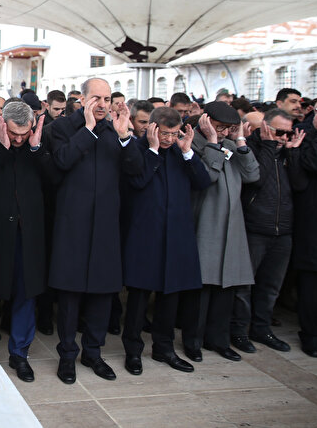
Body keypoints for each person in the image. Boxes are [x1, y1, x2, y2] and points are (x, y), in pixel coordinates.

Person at [49, 78, 142, 384]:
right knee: (70, 295)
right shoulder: (63, 127)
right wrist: (87, 130)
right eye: (96, 98)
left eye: (107, 98)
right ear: (82, 99)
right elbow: (62, 161)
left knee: (103, 294)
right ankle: (67, 355)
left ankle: (93, 352)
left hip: (105, 226)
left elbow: (134, 169)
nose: (103, 104)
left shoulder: (116, 129)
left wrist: (126, 135)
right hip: (72, 225)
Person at [120, 107, 211, 376]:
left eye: (174, 133)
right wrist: (153, 149)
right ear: (153, 129)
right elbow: (138, 181)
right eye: (165, 133)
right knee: (138, 297)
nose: (170, 138)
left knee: (170, 295)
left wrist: (186, 151)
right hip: (145, 235)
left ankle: (164, 347)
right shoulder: (137, 148)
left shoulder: (181, 153)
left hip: (177, 236)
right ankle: (133, 351)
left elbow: (203, 182)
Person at [0, 100, 57, 382]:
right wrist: (1, 148)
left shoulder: (40, 141)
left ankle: (20, 354)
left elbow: (54, 180)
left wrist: (35, 148)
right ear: (2, 124)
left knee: (26, 292)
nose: (19, 139)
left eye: (24, 133)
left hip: (30, 233)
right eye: (14, 134)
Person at [181, 101, 259, 362]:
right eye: (219, 127)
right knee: (200, 293)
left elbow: (252, 176)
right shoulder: (191, 143)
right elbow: (206, 178)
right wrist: (213, 142)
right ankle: (193, 341)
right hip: (205, 225)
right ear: (204, 121)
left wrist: (240, 142)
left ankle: (219, 340)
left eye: (229, 128)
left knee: (226, 290)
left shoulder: (230, 146)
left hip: (232, 228)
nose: (224, 132)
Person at [230, 109, 305, 354]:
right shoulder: (253, 148)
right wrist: (268, 146)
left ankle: (261, 328)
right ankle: (239, 331)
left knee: (271, 286)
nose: (284, 137)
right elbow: (256, 179)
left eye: (288, 132)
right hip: (255, 229)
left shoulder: (289, 153)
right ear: (265, 128)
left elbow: (300, 184)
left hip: (283, 230)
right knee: (244, 286)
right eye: (279, 131)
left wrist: (292, 153)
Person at [292, 96, 317, 357]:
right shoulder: (304, 132)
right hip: (313, 220)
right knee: (312, 282)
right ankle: (310, 334)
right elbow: (314, 164)